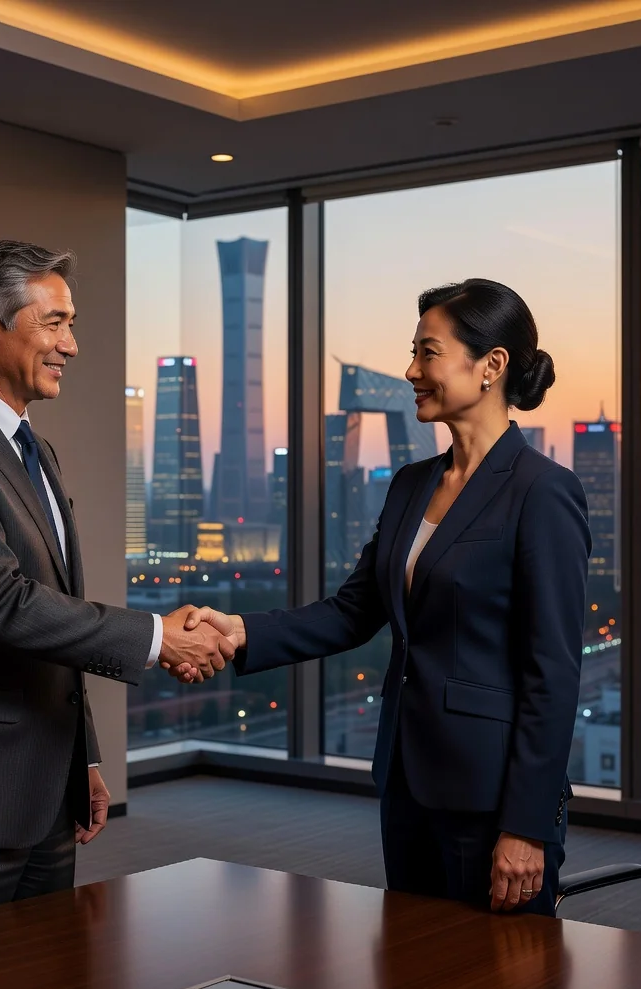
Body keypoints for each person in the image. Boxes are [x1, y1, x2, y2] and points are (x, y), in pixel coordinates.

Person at [171, 279, 591, 916]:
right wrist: (238, 632)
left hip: (492, 798)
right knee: (411, 976)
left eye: (428, 352)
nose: (410, 370)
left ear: (491, 366)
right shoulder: (410, 483)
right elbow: (353, 610)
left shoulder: (543, 492)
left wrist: (527, 825)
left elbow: (553, 674)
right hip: (406, 778)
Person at [0, 240, 232, 928]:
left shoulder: (33, 449)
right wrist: (158, 637)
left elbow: (54, 612)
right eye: (55, 322)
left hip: (43, 788)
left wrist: (82, 756)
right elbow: (3, 606)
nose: (73, 344)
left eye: (73, 323)